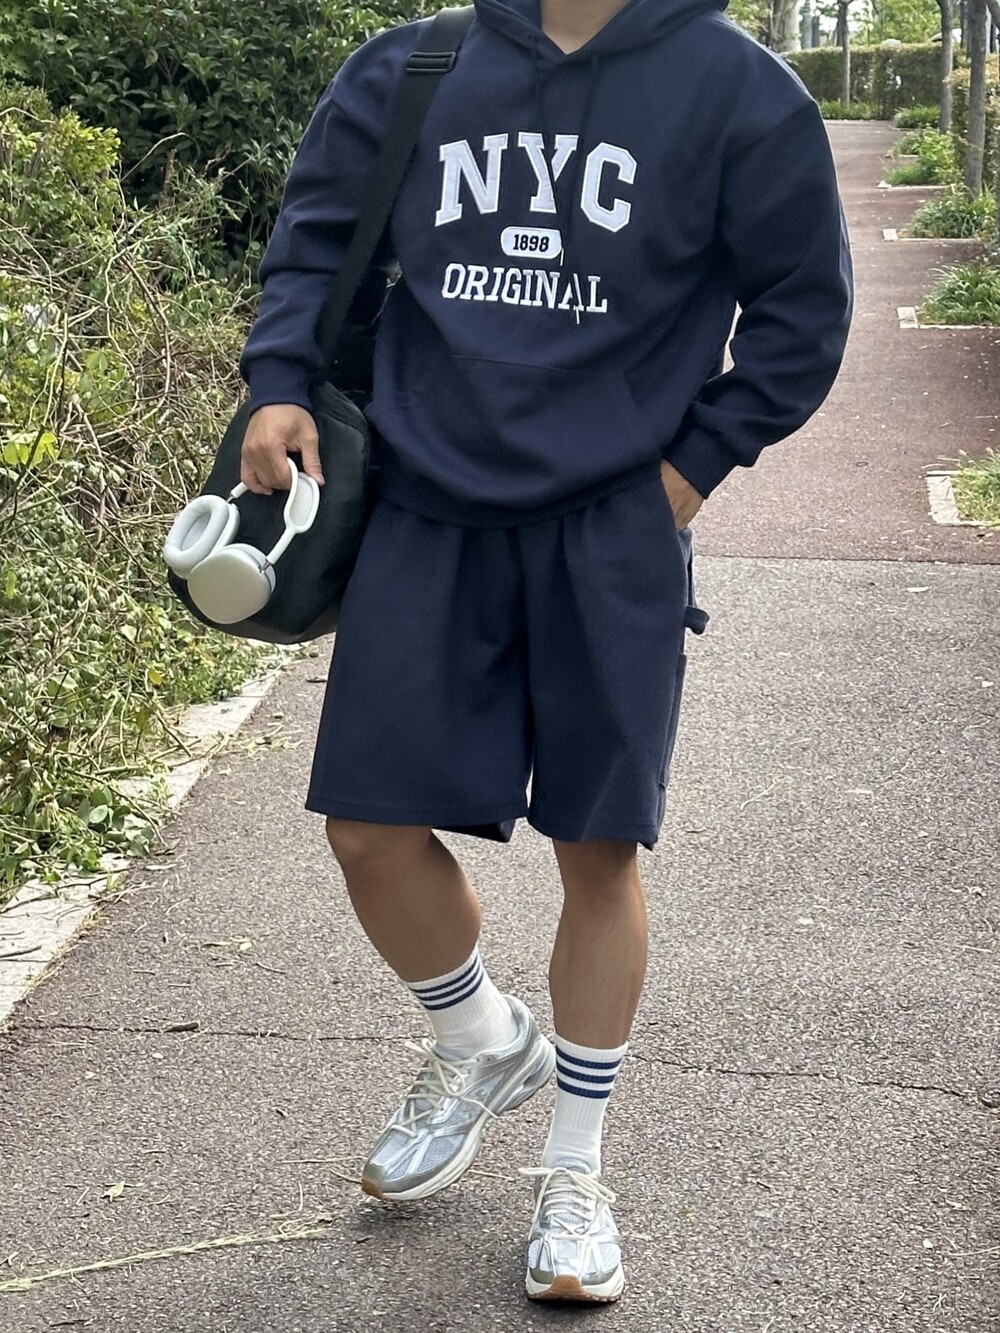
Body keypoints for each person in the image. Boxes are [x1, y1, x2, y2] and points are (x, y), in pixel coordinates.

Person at [238, 0, 852, 1304]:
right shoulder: (414, 66)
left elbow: (804, 310)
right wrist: (278, 382)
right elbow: (317, 244)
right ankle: (480, 1037)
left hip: (611, 525)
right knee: (367, 829)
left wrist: (690, 472)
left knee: (599, 850)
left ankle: (574, 1175)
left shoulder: (739, 92)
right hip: (423, 506)